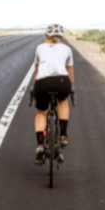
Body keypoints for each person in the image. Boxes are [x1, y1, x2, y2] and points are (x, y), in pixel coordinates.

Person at [31, 23, 75, 165]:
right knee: (62, 101)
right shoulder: (67, 49)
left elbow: (37, 70)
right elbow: (70, 72)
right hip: (62, 81)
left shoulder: (39, 48)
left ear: (46, 35)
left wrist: (35, 86)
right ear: (61, 37)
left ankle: (39, 145)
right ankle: (63, 135)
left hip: (42, 83)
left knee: (41, 113)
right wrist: (70, 88)